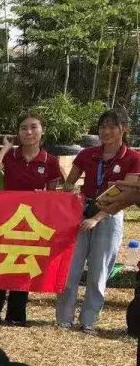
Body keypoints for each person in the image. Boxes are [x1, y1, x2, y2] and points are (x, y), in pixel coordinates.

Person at [55, 109, 140, 333]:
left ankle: (89, 320)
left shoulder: (132, 158)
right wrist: (70, 202)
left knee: (99, 270)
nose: (106, 131)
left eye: (112, 126)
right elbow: (69, 182)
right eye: (102, 127)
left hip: (110, 214)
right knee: (70, 268)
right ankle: (64, 318)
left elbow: (127, 194)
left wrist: (98, 217)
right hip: (81, 211)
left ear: (124, 129)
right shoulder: (87, 154)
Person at [0, 114, 64, 326]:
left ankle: (16, 316)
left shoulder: (51, 161)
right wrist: (5, 148)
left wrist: (42, 197)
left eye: (33, 127)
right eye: (23, 128)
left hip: (32, 223)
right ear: (18, 132)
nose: (28, 132)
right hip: (6, 219)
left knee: (23, 266)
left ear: (42, 131)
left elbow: (53, 196)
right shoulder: (11, 156)